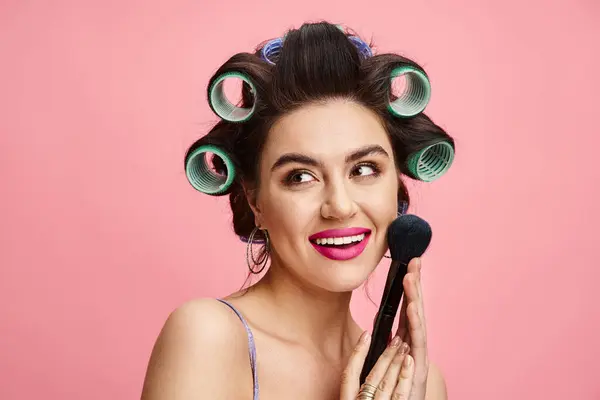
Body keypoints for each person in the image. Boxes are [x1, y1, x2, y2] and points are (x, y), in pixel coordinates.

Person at [141, 21, 455, 400]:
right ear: (255, 200)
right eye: (300, 177)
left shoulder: (417, 382)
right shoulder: (208, 338)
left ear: (396, 188)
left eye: (364, 169)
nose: (339, 206)